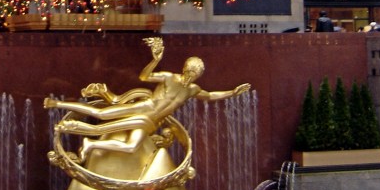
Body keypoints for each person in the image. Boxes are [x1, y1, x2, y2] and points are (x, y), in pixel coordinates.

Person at [44, 37, 250, 162]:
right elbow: (145, 77)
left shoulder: (193, 90)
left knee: (130, 146)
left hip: (150, 123)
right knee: (102, 114)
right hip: (144, 107)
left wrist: (233, 92)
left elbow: (211, 96)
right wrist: (156, 60)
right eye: (191, 70)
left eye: (196, 73)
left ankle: (90, 145)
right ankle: (57, 105)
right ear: (185, 68)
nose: (192, 75)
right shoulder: (169, 77)